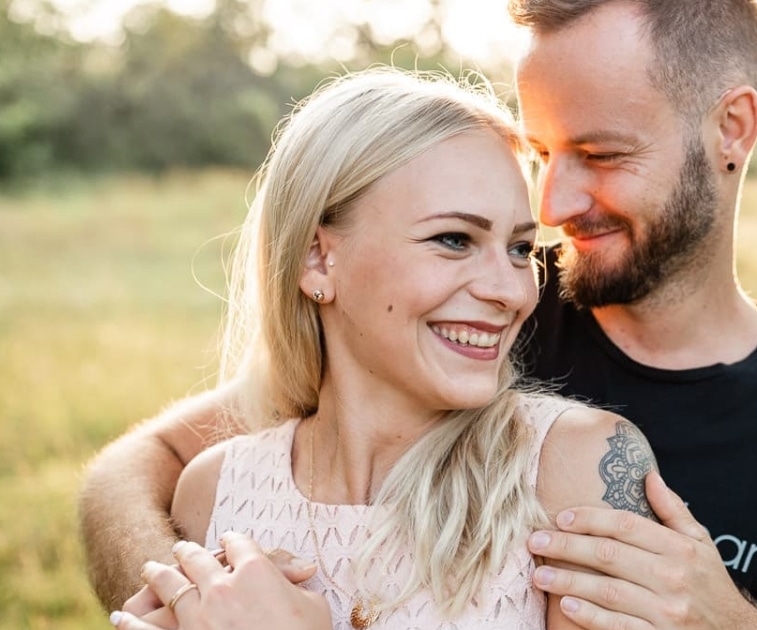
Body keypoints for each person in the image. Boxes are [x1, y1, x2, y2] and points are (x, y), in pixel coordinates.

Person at [85, 1, 757, 628]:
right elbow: (141, 466)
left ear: (733, 129)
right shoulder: (481, 319)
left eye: (600, 154)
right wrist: (190, 595)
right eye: (543, 154)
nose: (555, 204)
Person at [106, 67, 664, 629]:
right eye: (454, 240)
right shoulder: (214, 492)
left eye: (519, 247)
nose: (512, 289)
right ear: (317, 259)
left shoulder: (577, 468)